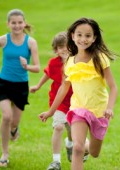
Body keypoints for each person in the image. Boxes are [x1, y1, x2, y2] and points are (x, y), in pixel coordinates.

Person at [38, 17, 118, 170]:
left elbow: (113, 87)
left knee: (94, 152)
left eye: (88, 35)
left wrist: (110, 107)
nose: (83, 39)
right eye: (79, 35)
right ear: (72, 36)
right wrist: (50, 111)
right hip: (78, 109)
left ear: (94, 38)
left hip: (99, 110)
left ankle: (87, 145)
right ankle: (79, 145)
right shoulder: (69, 61)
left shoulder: (100, 58)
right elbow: (64, 88)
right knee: (77, 148)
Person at [0, 9, 40, 167]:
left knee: (14, 122)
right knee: (6, 116)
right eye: (13, 23)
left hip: (21, 86)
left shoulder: (31, 42)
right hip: (4, 83)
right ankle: (4, 154)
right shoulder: (2, 40)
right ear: (8, 24)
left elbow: (37, 67)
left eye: (20, 22)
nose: (17, 25)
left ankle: (14, 130)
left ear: (24, 23)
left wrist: (26, 66)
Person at [30, 31, 80, 170]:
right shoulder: (53, 62)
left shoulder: (78, 62)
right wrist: (38, 86)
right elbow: (47, 74)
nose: (64, 49)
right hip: (58, 102)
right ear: (56, 49)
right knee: (58, 127)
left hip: (76, 102)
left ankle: (69, 143)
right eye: (60, 47)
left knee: (72, 132)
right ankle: (56, 162)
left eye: (66, 46)